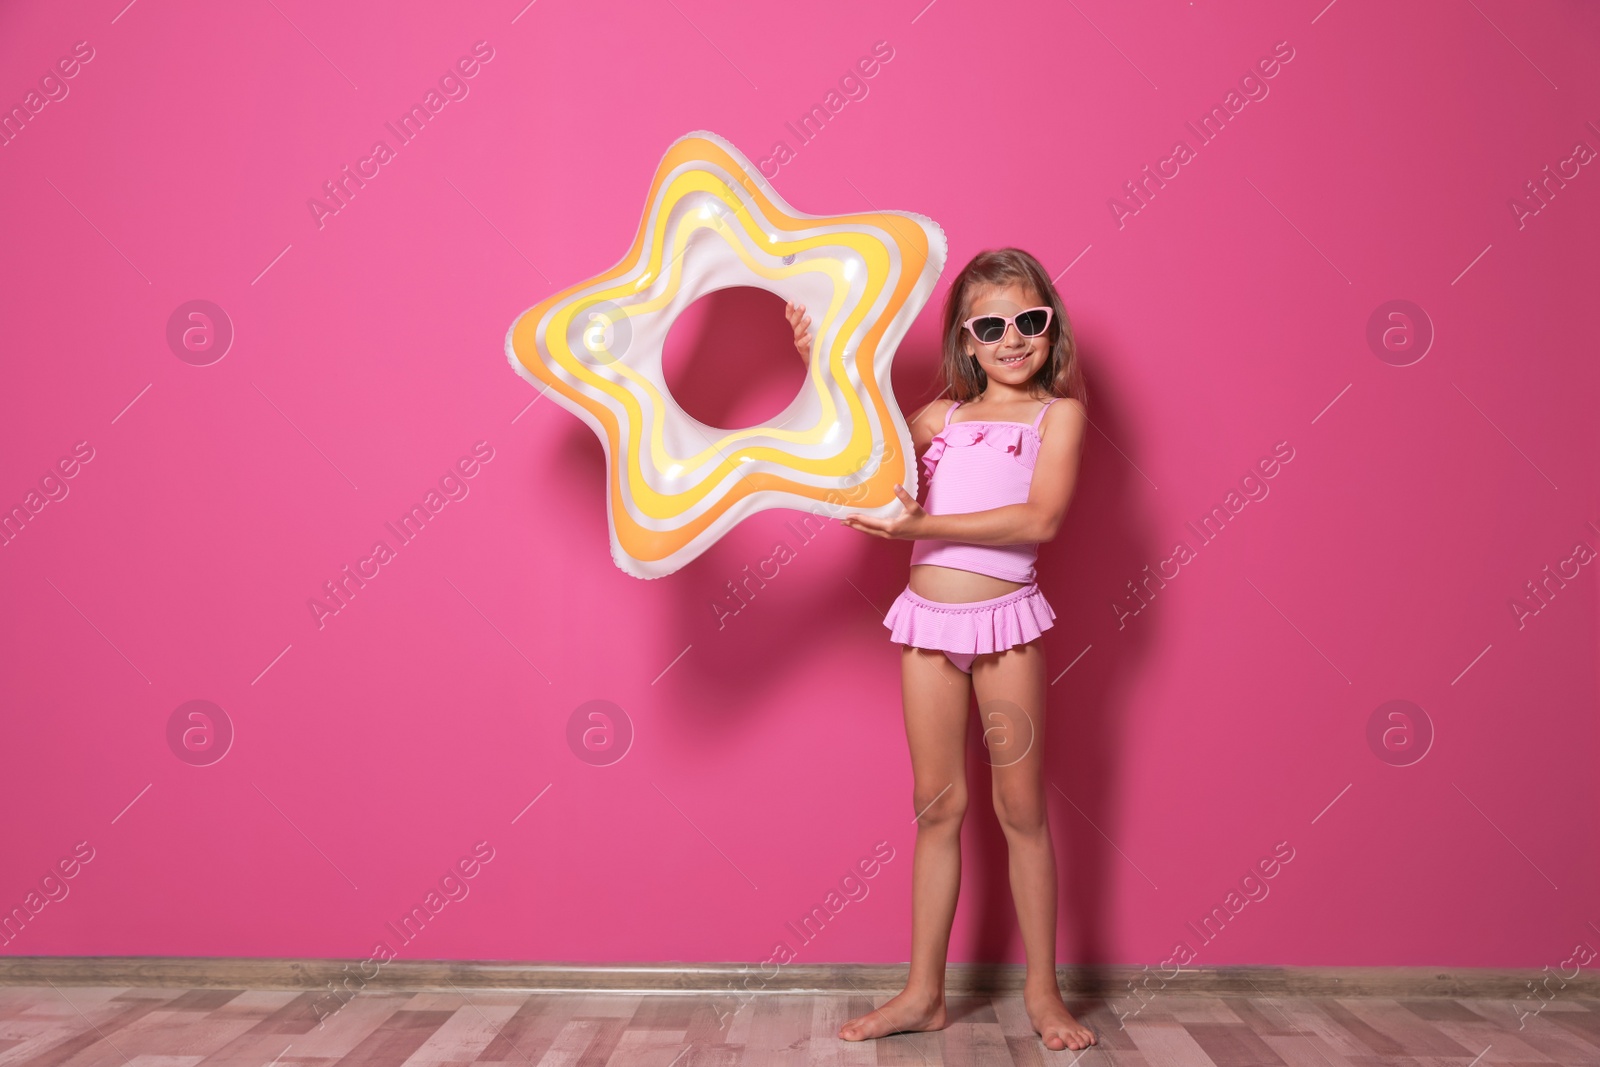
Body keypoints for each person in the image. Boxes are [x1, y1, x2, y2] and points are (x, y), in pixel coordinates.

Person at [784, 247, 1095, 1052]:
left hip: (1007, 631)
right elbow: (856, 437)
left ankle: (1043, 992)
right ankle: (923, 991)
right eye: (991, 326)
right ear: (965, 337)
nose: (1012, 339)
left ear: (1049, 324)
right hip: (927, 630)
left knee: (1020, 809)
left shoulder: (1057, 415)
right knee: (936, 807)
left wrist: (918, 527)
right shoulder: (937, 421)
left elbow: (1040, 521)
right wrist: (819, 353)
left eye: (1029, 320)